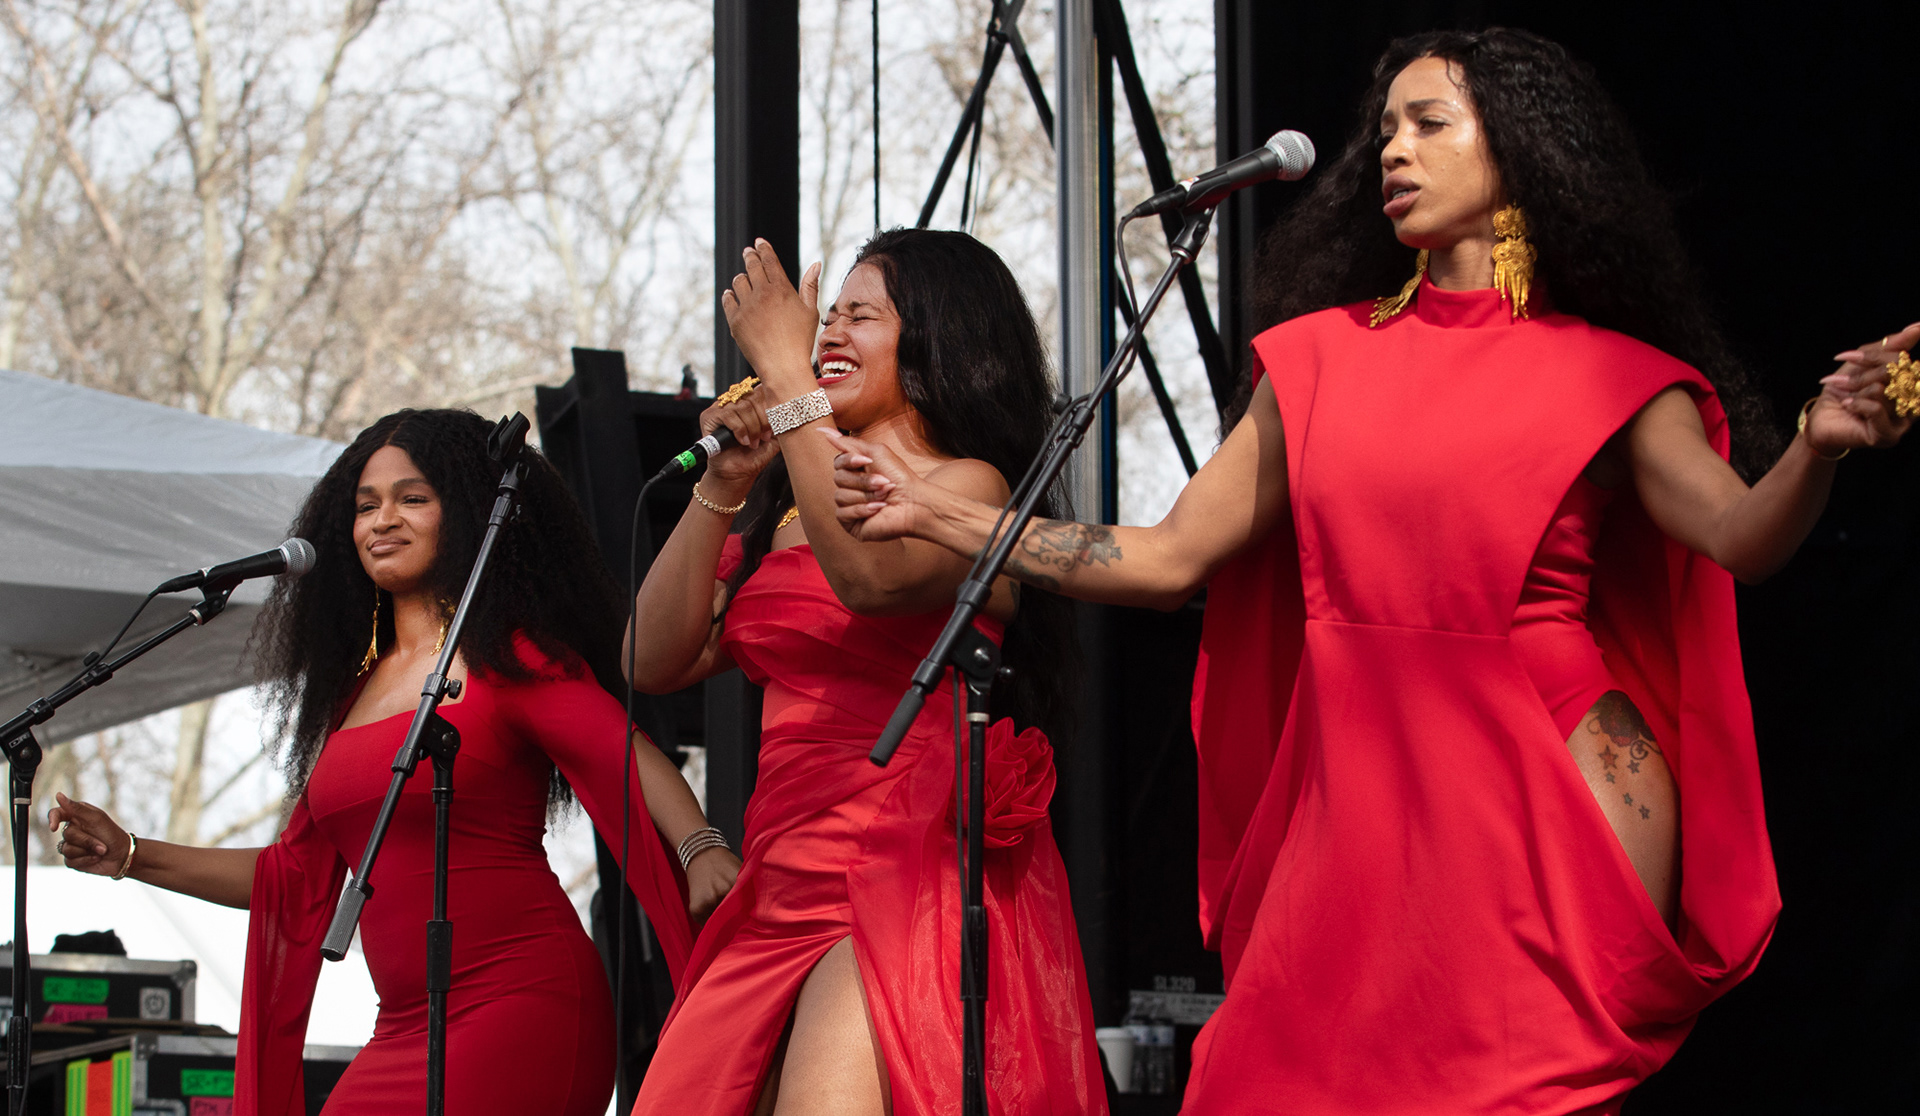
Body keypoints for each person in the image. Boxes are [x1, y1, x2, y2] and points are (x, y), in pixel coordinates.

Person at [826, 29, 1915, 1115]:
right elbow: (1164, 559)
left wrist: (1816, 447)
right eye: (1386, 129)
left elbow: (1742, 539)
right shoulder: (1316, 361)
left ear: (1520, 151)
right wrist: (939, 512)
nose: (1394, 149)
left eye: (1430, 124)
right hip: (1357, 809)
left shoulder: (1614, 377)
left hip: (1555, 795)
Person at [49, 409, 738, 1116]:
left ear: (464, 513)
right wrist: (131, 853)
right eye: (365, 505)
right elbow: (292, 879)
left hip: (522, 1000)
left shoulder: (507, 657)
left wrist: (700, 846)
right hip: (405, 1025)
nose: (383, 520)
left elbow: (624, 750)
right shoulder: (352, 695)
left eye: (412, 498)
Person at [627, 229, 1104, 1115]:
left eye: (863, 314)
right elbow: (649, 659)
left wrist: (789, 381)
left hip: (898, 875)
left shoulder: (971, 487)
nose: (830, 331)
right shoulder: (783, 516)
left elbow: (870, 579)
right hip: (777, 878)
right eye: (828, 315)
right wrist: (723, 487)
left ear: (938, 343)